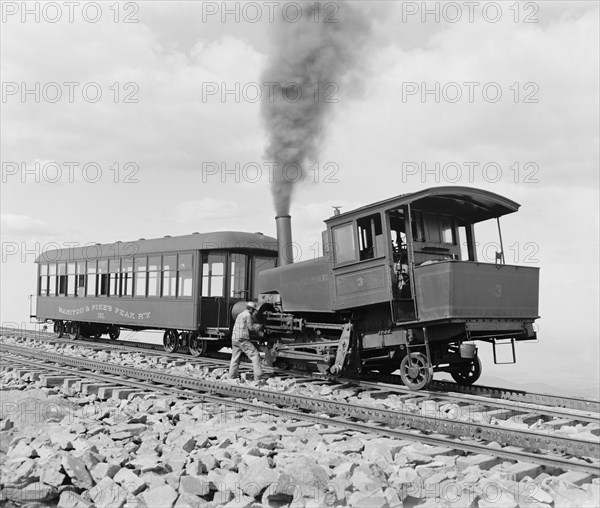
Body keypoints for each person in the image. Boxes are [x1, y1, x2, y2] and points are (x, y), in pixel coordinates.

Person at [229, 301, 264, 383]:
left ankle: (231, 376)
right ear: (251, 309)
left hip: (234, 339)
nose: (255, 312)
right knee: (255, 355)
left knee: (235, 358)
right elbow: (251, 328)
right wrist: (259, 327)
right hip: (242, 339)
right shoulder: (248, 315)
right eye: (254, 310)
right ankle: (258, 377)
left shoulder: (240, 314)